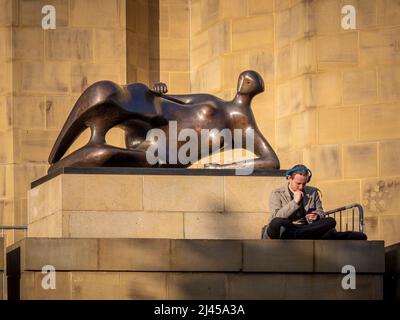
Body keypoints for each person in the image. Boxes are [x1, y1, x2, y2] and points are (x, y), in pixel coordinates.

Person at [262, 164, 367, 240]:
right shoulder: (277, 193)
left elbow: (321, 212)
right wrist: (294, 203)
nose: (301, 187)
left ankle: (298, 235)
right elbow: (275, 217)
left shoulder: (313, 192)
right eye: (298, 183)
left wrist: (316, 216)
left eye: (304, 184)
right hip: (286, 228)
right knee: (277, 222)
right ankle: (300, 234)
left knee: (330, 221)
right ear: (289, 178)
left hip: (306, 227)